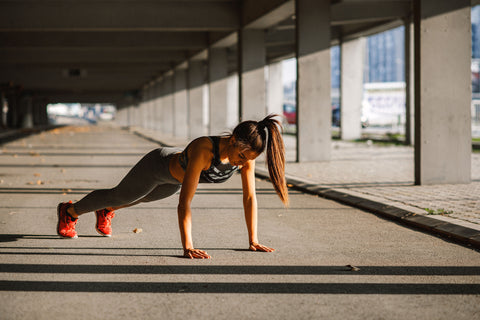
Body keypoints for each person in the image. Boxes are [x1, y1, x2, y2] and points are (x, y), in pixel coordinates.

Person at [56, 114, 289, 259]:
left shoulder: (246, 158)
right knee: (119, 195)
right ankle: (69, 212)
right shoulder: (204, 150)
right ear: (232, 140)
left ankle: (106, 211)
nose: (242, 163)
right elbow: (185, 203)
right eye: (240, 156)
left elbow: (249, 198)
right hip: (156, 166)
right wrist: (187, 246)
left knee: (137, 199)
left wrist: (253, 240)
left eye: (247, 159)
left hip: (172, 182)